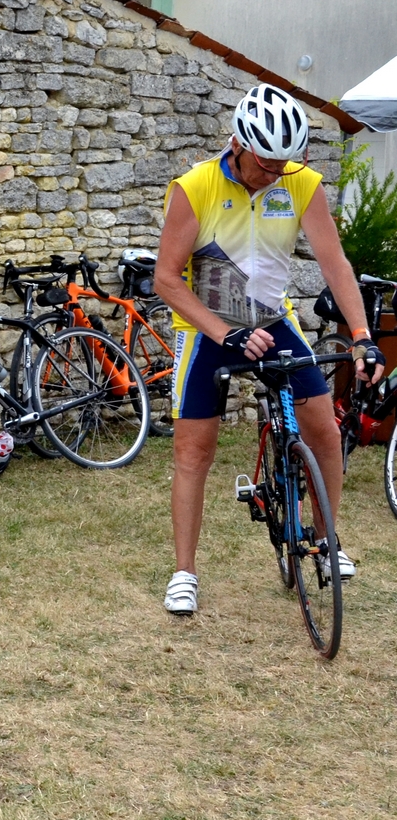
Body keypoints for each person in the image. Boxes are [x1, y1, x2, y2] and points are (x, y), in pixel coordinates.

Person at [153, 84, 386, 616]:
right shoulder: (196, 188)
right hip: (207, 327)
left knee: (324, 430)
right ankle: (184, 571)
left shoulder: (302, 184)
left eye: (285, 163)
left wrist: (362, 337)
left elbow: (335, 265)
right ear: (238, 143)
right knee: (194, 451)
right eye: (265, 163)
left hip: (272, 318)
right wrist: (222, 332)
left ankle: (327, 544)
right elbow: (167, 280)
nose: (274, 173)